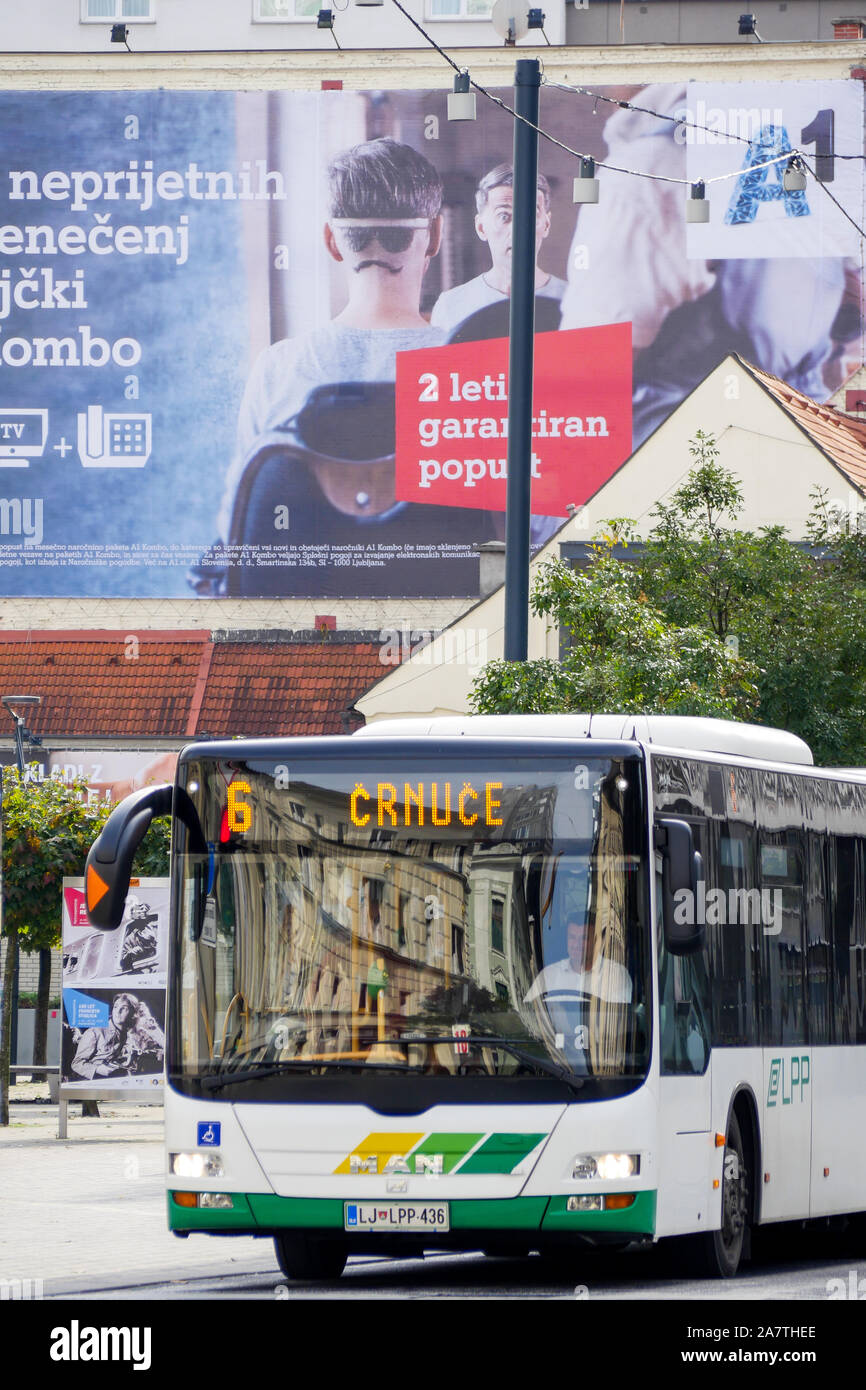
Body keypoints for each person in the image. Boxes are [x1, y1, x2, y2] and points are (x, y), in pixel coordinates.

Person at [202, 136, 500, 598]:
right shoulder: (483, 375)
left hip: (304, 658)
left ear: (332, 242)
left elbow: (237, 537)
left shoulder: (277, 370)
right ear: (436, 236)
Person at [430, 165, 567, 336]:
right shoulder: (451, 307)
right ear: (481, 227)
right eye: (504, 216)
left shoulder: (573, 301)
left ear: (546, 224)